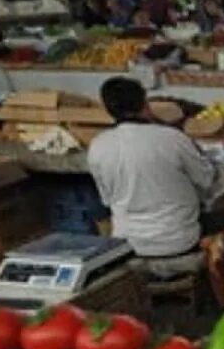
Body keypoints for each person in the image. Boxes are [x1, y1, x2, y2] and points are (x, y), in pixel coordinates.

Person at [88, 77, 215, 258]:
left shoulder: (98, 146)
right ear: (145, 104)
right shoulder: (173, 138)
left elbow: (107, 199)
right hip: (180, 240)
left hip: (128, 243)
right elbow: (206, 180)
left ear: (108, 110)